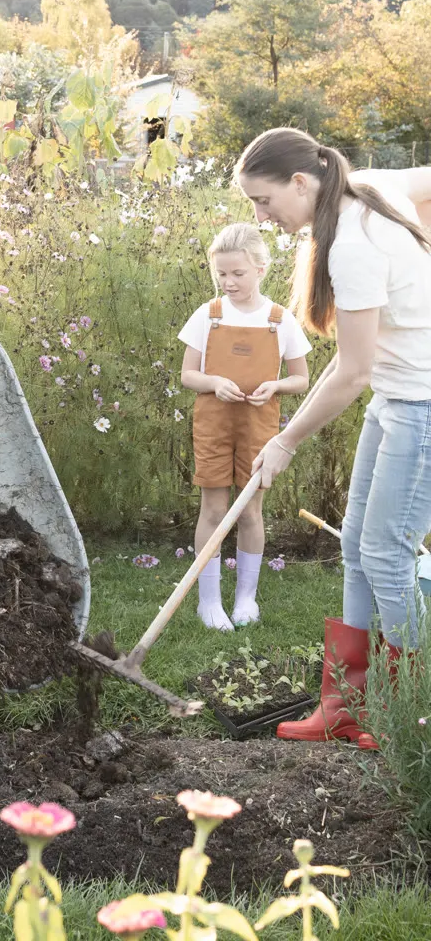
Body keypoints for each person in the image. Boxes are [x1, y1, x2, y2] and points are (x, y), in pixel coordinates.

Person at [236, 128, 431, 746]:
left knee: (389, 558)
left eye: (264, 201)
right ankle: (345, 705)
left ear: (300, 182)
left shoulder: (352, 244)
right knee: (355, 544)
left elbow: (352, 372)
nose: (261, 217)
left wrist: (286, 441)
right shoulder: (370, 187)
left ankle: (405, 717)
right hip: (397, 398)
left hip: (421, 407)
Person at [180, 222, 310, 630]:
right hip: (214, 423)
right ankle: (209, 602)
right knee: (215, 508)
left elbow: (301, 379)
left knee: (251, 511)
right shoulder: (209, 315)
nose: (228, 282)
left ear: (260, 269)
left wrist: (275, 385)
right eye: (221, 273)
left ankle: (246, 599)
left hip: (259, 424)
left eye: (237, 273)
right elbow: (187, 375)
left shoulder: (279, 319)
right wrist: (215, 382)